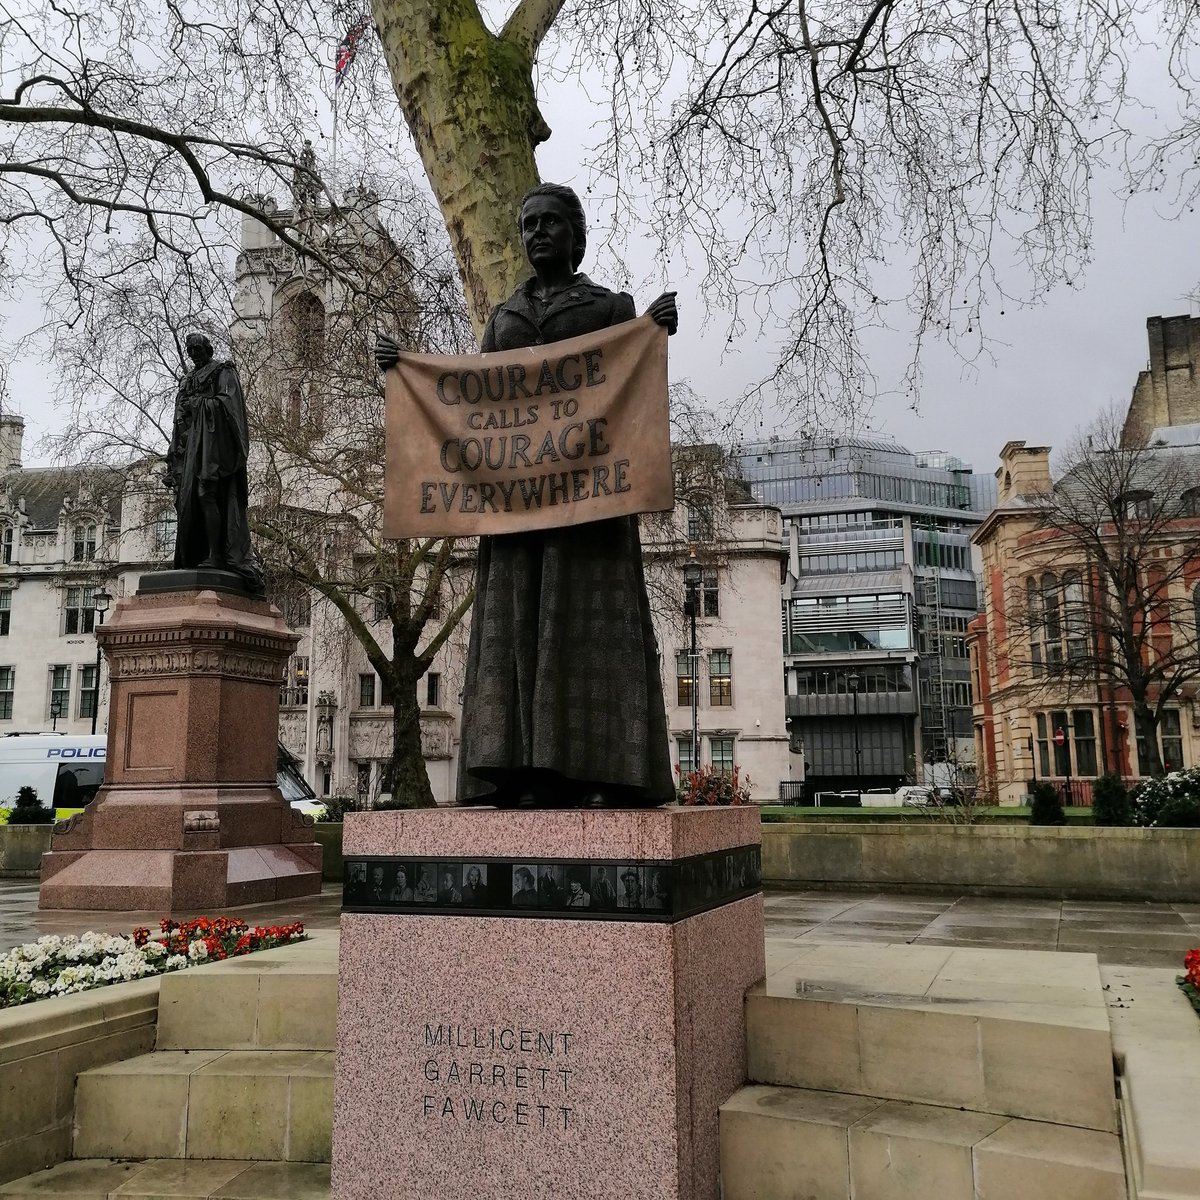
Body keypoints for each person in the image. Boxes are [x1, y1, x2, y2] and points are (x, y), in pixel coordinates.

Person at [378, 183, 678, 809]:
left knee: (589, 635)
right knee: (516, 633)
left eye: (550, 223)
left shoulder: (608, 307)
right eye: (527, 224)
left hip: (590, 515)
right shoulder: (504, 319)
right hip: (516, 516)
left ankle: (601, 774)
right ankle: (520, 770)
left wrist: (651, 328)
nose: (537, 233)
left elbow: (629, 383)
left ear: (576, 234)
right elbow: (474, 401)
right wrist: (408, 371)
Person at [164, 333, 263, 592]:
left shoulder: (222, 371)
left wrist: (199, 404)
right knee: (189, 501)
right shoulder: (186, 380)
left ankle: (216, 554)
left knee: (207, 494)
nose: (194, 353)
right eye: (190, 350)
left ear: (208, 349)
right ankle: (196, 555)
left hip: (213, 449)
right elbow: (179, 420)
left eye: (198, 348)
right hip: (191, 450)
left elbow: (229, 407)